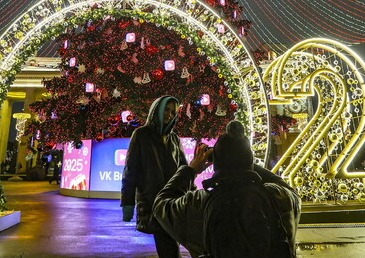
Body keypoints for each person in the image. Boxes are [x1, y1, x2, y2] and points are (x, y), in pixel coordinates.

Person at [153, 120, 301, 258]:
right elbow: (287, 189)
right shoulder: (277, 197)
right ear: (249, 159)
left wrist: (190, 170)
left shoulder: (198, 203)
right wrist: (243, 161)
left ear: (217, 162)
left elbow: (161, 203)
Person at [121, 95, 189, 258]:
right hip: (154, 201)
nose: (169, 115)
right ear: (156, 110)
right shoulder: (141, 135)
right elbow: (131, 170)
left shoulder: (174, 139)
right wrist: (128, 203)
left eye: (173, 112)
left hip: (174, 200)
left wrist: (191, 194)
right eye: (166, 109)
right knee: (168, 245)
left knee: (171, 244)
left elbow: (183, 169)